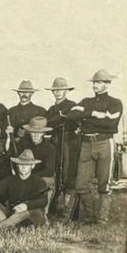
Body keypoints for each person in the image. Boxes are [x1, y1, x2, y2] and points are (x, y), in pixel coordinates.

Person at [63, 69, 124, 223]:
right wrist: (93, 114)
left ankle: (102, 220)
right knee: (81, 185)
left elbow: (110, 125)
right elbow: (71, 114)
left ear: (107, 84)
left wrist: (85, 117)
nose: (95, 85)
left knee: (104, 184)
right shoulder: (86, 101)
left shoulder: (115, 102)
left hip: (104, 143)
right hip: (85, 144)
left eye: (99, 82)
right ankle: (90, 217)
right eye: (94, 82)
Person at [0, 149, 50, 230]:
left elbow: (44, 200)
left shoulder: (39, 181)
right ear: (17, 165)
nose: (23, 167)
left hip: (32, 215)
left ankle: (0, 227)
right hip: (13, 213)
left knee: (29, 212)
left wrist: (26, 205)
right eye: (21, 164)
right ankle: (10, 225)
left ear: (32, 166)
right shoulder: (10, 180)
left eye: (27, 165)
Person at [45, 77, 81, 218]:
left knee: (69, 174)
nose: (58, 93)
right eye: (55, 90)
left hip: (69, 143)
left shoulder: (72, 105)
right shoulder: (51, 109)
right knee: (57, 174)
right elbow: (48, 125)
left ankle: (68, 211)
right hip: (55, 143)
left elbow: (75, 121)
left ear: (66, 91)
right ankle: (56, 207)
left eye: (61, 90)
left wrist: (59, 119)